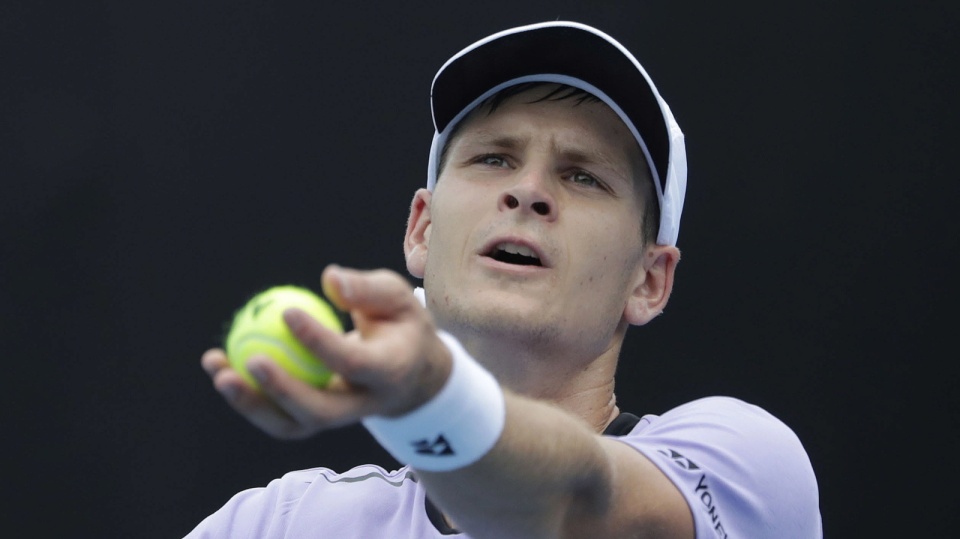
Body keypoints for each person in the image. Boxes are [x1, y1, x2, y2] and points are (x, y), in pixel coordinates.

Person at [187, 21, 822, 538]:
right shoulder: (279, 526)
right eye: (494, 158)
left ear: (649, 280)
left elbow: (572, 510)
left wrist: (428, 396)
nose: (527, 191)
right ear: (423, 230)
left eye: (583, 176)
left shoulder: (749, 467)